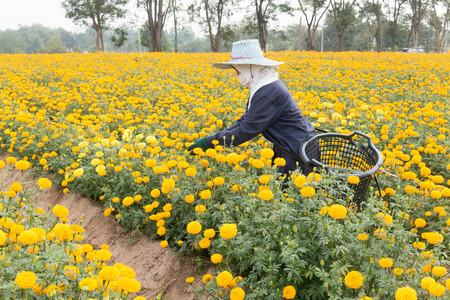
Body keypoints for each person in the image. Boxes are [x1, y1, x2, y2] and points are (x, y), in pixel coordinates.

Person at [187, 39, 317, 177]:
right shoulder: (264, 85)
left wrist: (209, 143)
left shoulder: (268, 91)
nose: (237, 75)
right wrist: (212, 139)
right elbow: (246, 120)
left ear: (248, 67)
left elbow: (247, 130)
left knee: (287, 193)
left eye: (237, 70)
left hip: (296, 151)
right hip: (290, 146)